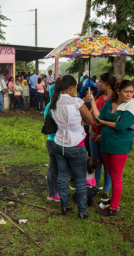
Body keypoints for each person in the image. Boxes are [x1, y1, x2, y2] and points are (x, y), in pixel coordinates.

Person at [50, 75, 94, 219]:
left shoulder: (54, 102)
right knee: (80, 179)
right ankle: (82, 211)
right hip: (76, 144)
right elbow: (91, 120)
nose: (76, 90)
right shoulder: (76, 101)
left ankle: (65, 205)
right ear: (70, 87)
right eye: (75, 87)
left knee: (62, 176)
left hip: (59, 143)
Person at [91, 80, 134, 216]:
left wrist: (103, 122)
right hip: (106, 143)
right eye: (126, 92)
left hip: (120, 146)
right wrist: (92, 103)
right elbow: (100, 116)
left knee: (116, 176)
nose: (129, 95)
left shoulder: (131, 106)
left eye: (131, 92)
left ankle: (113, 207)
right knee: (109, 170)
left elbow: (121, 126)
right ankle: (112, 200)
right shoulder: (110, 102)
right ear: (118, 91)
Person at [89, 73, 116, 202]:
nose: (97, 84)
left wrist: (102, 135)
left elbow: (110, 121)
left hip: (105, 136)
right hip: (94, 135)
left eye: (100, 82)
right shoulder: (98, 96)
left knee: (107, 164)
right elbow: (92, 116)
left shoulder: (114, 101)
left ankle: (106, 190)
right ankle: (95, 186)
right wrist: (91, 131)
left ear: (107, 84)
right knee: (96, 163)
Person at [44, 84, 60, 202]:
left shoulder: (49, 105)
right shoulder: (55, 106)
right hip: (55, 140)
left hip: (51, 140)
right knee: (54, 168)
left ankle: (55, 190)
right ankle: (52, 193)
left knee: (56, 167)